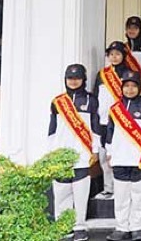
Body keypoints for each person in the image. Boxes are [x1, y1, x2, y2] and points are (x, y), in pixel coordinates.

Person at [105, 71, 141, 241]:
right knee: (121, 195)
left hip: (139, 158)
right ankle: (122, 227)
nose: (129, 90)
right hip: (120, 157)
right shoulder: (115, 108)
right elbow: (109, 132)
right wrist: (109, 152)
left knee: (138, 194)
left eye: (133, 86)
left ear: (139, 87)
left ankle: (137, 227)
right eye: (126, 86)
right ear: (122, 88)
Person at [48, 64, 100, 241]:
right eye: (70, 78)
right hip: (61, 154)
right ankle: (63, 226)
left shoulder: (91, 100)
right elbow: (52, 129)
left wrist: (96, 150)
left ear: (83, 79)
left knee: (80, 193)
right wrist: (51, 152)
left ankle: (80, 227)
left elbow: (96, 127)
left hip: (83, 153)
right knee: (61, 193)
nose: (73, 81)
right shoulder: (58, 101)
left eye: (77, 78)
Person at [93, 40, 131, 199]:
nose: (114, 57)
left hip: (121, 121)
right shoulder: (102, 75)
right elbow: (96, 96)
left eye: (117, 54)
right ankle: (108, 187)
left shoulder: (128, 74)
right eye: (111, 54)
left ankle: (123, 189)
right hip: (103, 120)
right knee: (103, 155)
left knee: (121, 154)